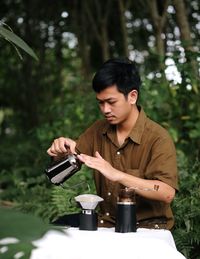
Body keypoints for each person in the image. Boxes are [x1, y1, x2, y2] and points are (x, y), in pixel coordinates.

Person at [47, 58, 178, 230]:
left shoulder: (158, 138)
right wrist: (60, 154)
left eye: (111, 102)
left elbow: (167, 193)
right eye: (100, 103)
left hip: (147, 229)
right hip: (106, 225)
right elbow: (67, 165)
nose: (105, 110)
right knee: (54, 231)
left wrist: (117, 175)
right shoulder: (97, 130)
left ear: (132, 96)